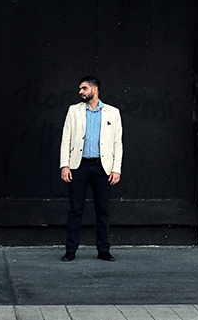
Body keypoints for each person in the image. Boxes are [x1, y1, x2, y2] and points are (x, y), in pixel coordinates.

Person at [58, 75, 123, 261]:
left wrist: (116, 169)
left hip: (102, 168)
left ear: (95, 89)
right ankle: (70, 251)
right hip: (79, 166)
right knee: (75, 210)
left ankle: (103, 250)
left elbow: (118, 143)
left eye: (84, 88)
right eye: (80, 89)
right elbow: (66, 139)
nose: (80, 92)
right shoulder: (74, 110)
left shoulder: (113, 113)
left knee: (102, 211)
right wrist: (65, 165)